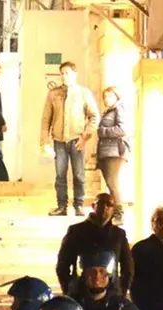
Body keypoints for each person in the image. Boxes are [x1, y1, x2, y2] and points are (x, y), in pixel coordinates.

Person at [41, 61, 100, 216]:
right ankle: (62, 206)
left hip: (77, 139)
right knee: (60, 175)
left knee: (79, 174)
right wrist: (44, 142)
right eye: (62, 73)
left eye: (67, 73)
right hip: (59, 140)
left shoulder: (83, 93)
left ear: (74, 74)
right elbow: (46, 118)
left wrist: (85, 136)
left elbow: (94, 116)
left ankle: (79, 205)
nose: (64, 76)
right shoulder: (54, 94)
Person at [56, 192, 134, 295]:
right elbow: (62, 265)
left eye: (109, 204)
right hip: (81, 293)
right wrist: (69, 290)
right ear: (93, 206)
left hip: (111, 296)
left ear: (113, 209)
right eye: (101, 203)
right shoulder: (76, 231)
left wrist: (120, 292)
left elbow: (128, 267)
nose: (105, 207)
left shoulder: (119, 234)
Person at [96, 86, 130, 225]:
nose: (107, 99)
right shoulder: (109, 111)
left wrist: (102, 131)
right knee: (110, 184)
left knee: (112, 183)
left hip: (115, 151)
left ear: (116, 97)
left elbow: (122, 129)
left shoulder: (118, 109)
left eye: (110, 96)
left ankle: (119, 213)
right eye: (105, 97)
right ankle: (113, 213)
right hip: (106, 151)